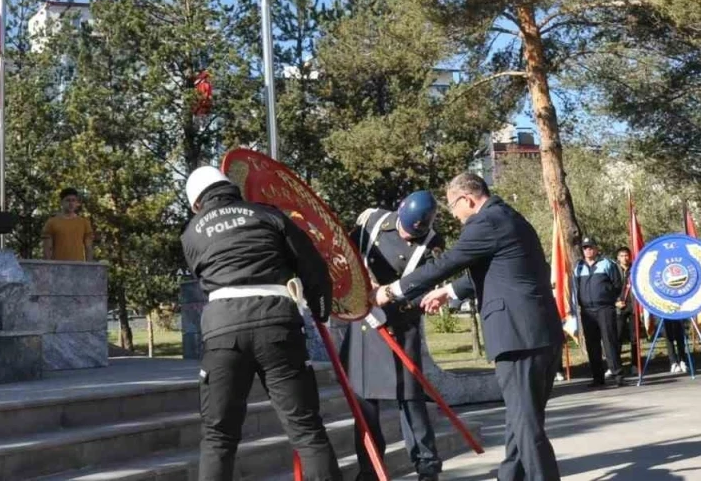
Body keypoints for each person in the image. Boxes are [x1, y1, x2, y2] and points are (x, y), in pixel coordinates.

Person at [374, 173, 563, 481]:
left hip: (517, 337)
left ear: (466, 199)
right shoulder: (508, 217)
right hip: (538, 332)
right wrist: (448, 292)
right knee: (521, 420)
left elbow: (447, 262)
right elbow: (494, 269)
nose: (455, 215)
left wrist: (392, 290)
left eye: (452, 207)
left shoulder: (485, 222)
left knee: (526, 426)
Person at [180, 166, 341, 481]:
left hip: (222, 331)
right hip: (277, 324)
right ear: (231, 188)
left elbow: (204, 272)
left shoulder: (191, 232)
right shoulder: (269, 215)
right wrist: (320, 309)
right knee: (307, 431)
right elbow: (312, 266)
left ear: (196, 203)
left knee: (218, 438)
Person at [342, 191, 445, 481]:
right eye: (404, 228)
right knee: (364, 405)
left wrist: (389, 299)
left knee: (411, 400)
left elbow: (426, 286)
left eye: (414, 233)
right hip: (364, 327)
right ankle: (370, 470)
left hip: (400, 328)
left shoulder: (432, 244)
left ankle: (427, 467)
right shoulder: (372, 220)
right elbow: (345, 252)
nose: (407, 236)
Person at [574, 237, 624, 388]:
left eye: (590, 247)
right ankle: (598, 377)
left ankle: (618, 376)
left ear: (596, 248)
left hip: (605, 309)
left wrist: (609, 298)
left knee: (610, 342)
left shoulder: (607, 263)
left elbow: (617, 284)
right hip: (587, 311)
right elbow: (576, 287)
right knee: (592, 345)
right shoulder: (579, 267)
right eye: (585, 248)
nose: (588, 250)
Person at [41, 187, 94, 261]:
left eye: (73, 200)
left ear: (77, 203)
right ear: (61, 202)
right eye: (68, 200)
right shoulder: (51, 222)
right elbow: (47, 249)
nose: (71, 203)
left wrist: (89, 268)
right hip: (58, 267)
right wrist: (48, 268)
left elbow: (88, 248)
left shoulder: (84, 223)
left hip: (78, 267)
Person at [613, 246, 635, 372]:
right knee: (618, 336)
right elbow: (609, 287)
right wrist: (615, 302)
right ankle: (617, 365)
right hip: (619, 306)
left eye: (626, 255)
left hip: (633, 306)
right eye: (621, 255)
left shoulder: (635, 269)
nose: (624, 258)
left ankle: (635, 364)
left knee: (634, 336)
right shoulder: (614, 270)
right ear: (618, 257)